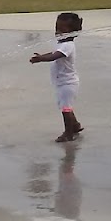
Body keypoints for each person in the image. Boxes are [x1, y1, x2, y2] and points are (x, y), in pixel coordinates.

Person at [29, 12, 84, 142]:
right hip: (62, 82)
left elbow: (55, 56)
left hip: (68, 83)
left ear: (72, 32)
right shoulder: (61, 43)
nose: (58, 32)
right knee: (65, 106)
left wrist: (41, 59)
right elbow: (54, 53)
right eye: (56, 28)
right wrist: (42, 56)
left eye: (61, 29)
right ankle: (75, 125)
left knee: (66, 109)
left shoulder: (68, 45)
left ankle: (68, 134)